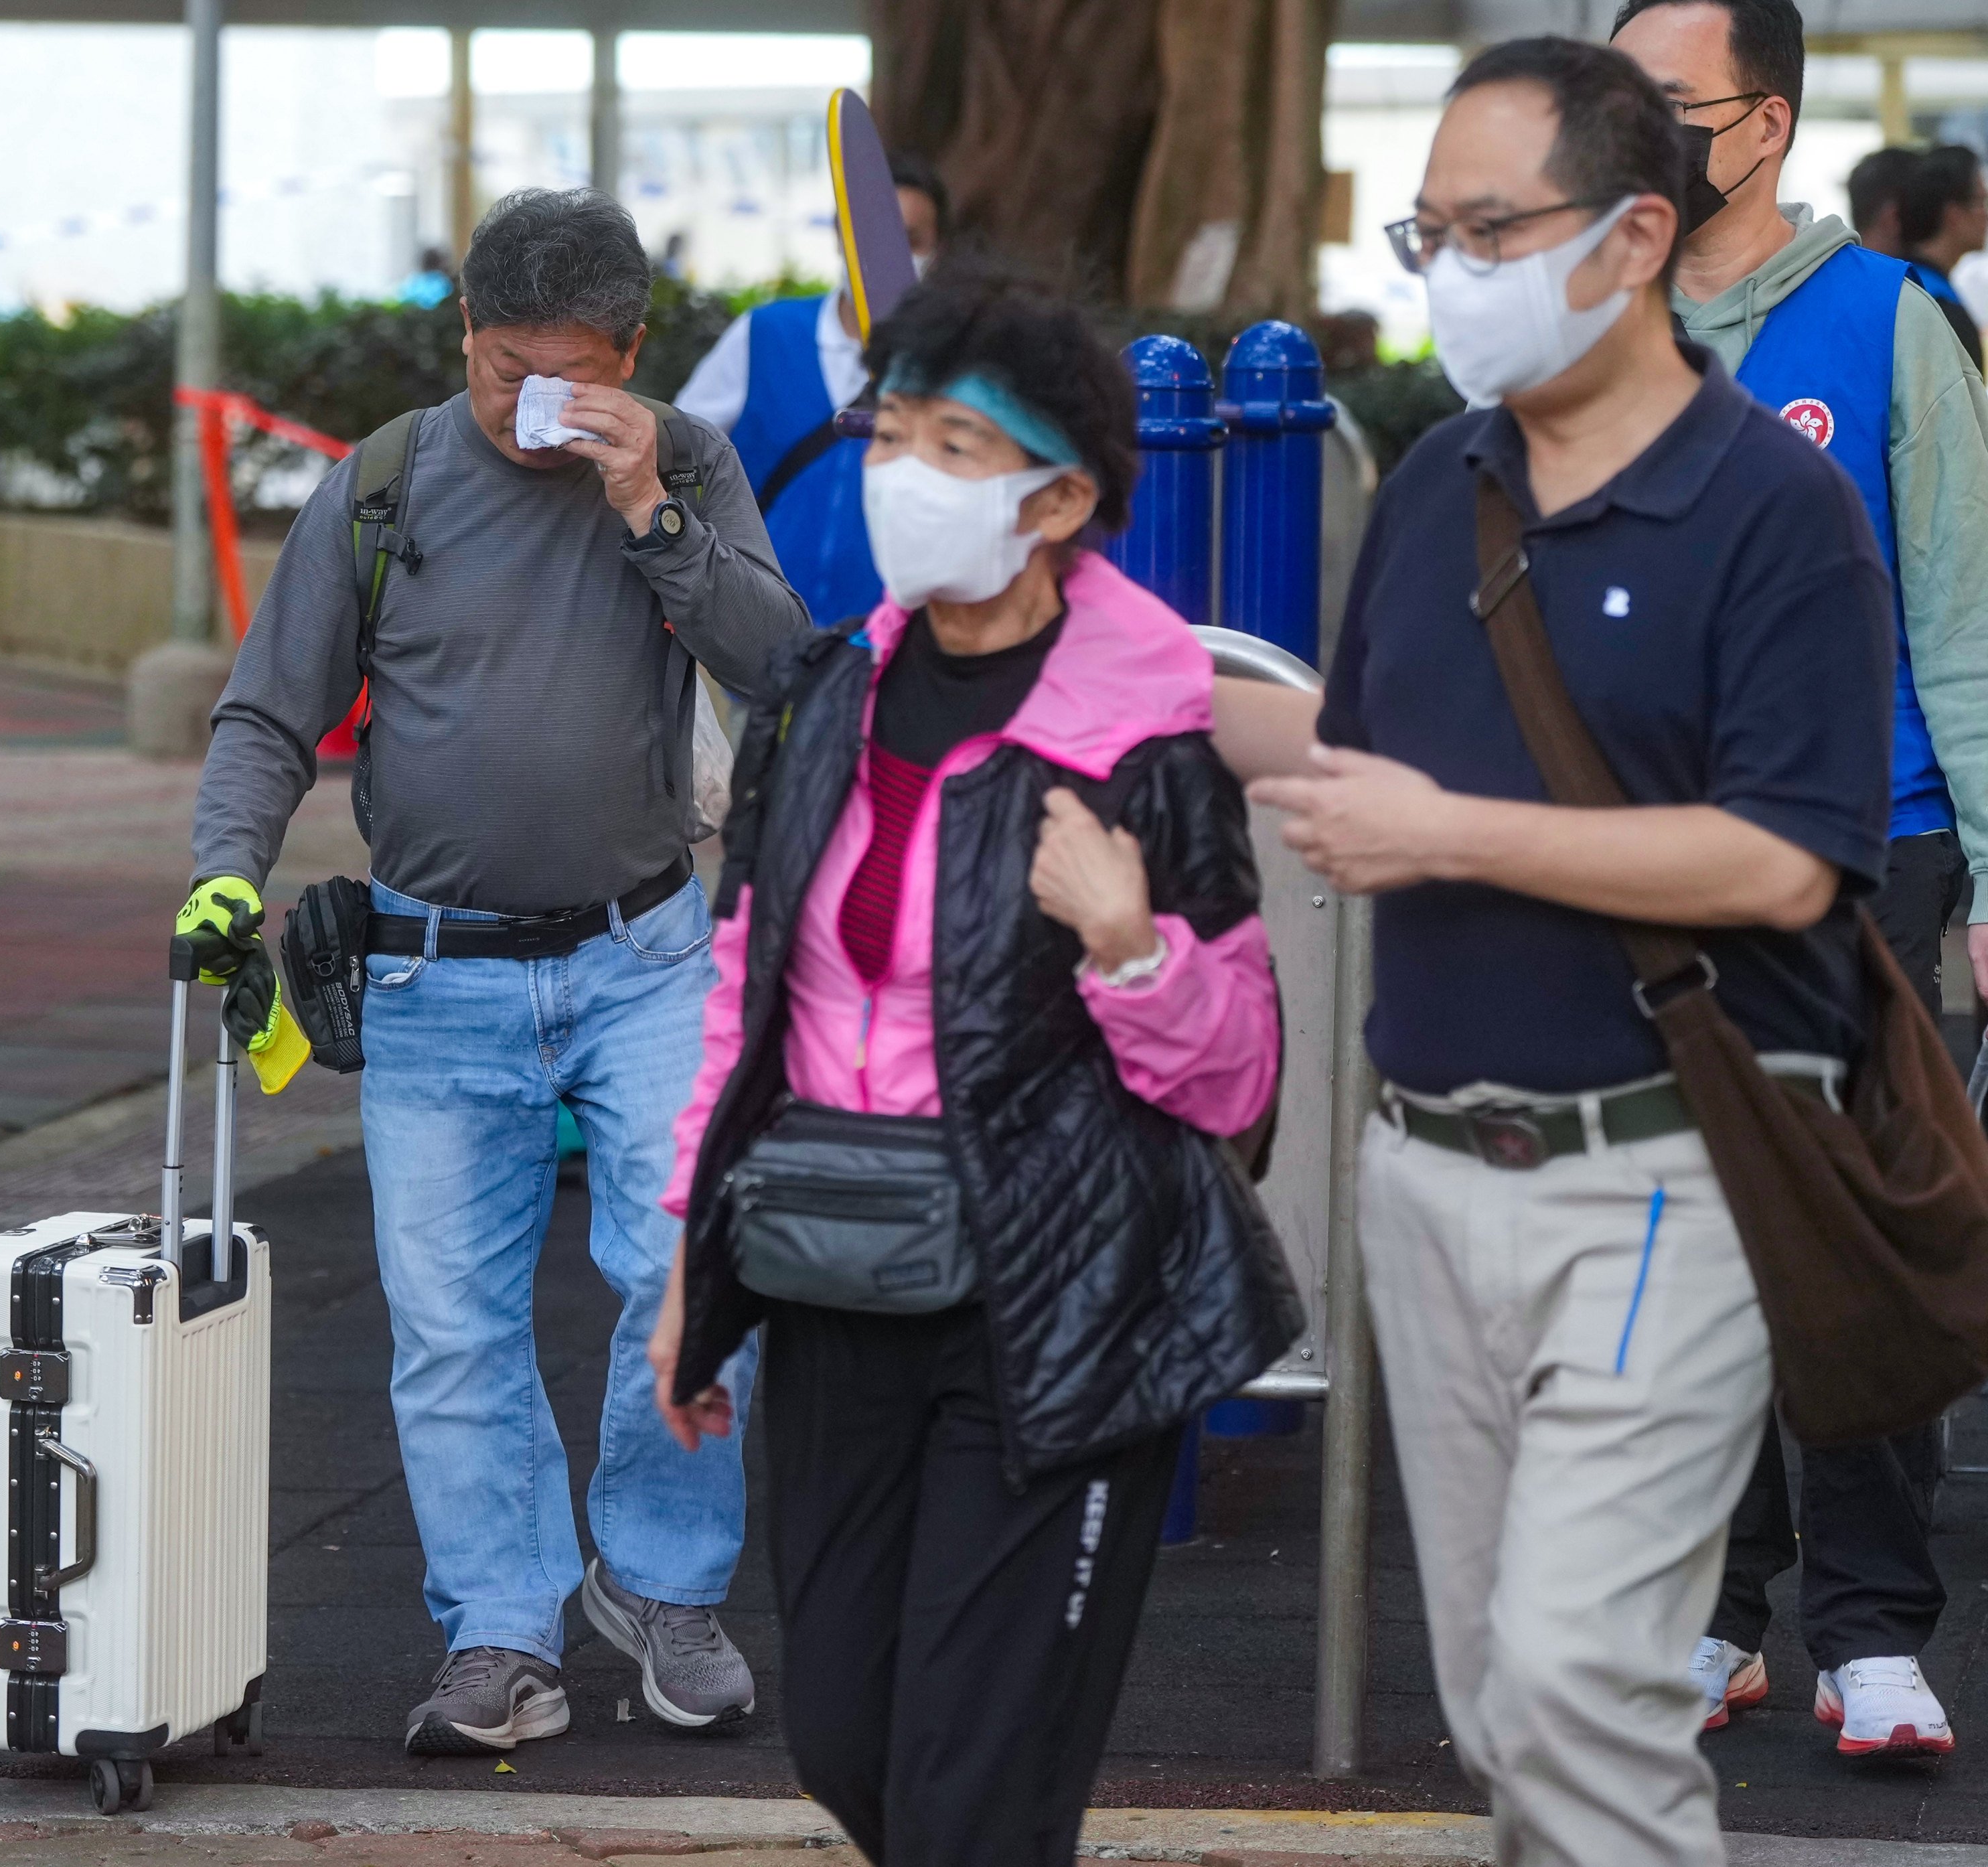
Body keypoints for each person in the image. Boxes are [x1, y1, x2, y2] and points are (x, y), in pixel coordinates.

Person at [1223, 34, 1894, 1865]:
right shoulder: (1442, 476)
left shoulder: (1780, 513)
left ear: (1633, 234)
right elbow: (1357, 756)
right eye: (1428, 230)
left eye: (1490, 228)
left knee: (1582, 1683)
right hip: (1426, 1175)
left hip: (1663, 1175)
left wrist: (1446, 838)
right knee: (1504, 1704)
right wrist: (1125, 679)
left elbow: (1782, 862)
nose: (1451, 271)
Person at [646, 262, 1298, 1865]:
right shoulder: (829, 695)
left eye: (952, 446)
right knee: (846, 1738)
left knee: (972, 1797)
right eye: (891, 435)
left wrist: (1131, 946)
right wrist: (691, 1264)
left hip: (1056, 1302)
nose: (900, 477)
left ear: (1058, 494)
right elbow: (748, 992)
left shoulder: (1142, 738)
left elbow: (1240, 1082)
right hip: (836, 1277)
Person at [183, 186, 810, 1757]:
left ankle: (660, 1583)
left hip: (645, 953)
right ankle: (500, 1629)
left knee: (687, 1276)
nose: (531, 407)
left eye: (570, 375)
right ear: (462, 333)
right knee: (452, 1323)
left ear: (634, 353)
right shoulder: (383, 485)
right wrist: (220, 874)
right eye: (501, 368)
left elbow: (776, 660)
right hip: (433, 975)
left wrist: (652, 512)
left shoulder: (690, 459)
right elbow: (270, 711)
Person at [1613, 0, 1988, 1758]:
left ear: (1759, 127)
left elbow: (1965, 624)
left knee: (1857, 1244)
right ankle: (1711, 1609)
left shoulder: (1891, 325)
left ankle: (1873, 1629)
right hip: (1643, 868)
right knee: (1683, 1263)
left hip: (1871, 860)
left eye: (1663, 108)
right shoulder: (1596, 322)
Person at [674, 153, 947, 629]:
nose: (889, 255)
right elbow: (679, 448)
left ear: (936, 250)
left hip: (892, 647)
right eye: (872, 235)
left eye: (911, 241)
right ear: (840, 236)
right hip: (760, 635)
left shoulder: (953, 365)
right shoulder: (766, 334)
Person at [1896, 145, 1987, 367]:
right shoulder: (1937, 308)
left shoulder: (1897, 284)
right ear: (1953, 214)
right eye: (1981, 202)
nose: (1986, 213)